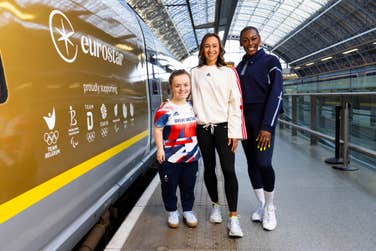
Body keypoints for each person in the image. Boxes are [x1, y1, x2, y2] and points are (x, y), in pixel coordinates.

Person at [191, 33, 247, 237]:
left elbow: (236, 103)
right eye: (207, 46)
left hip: (224, 128)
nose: (211, 50)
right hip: (203, 128)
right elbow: (186, 96)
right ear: (202, 50)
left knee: (229, 170)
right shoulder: (194, 72)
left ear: (220, 48)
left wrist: (235, 132)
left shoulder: (229, 72)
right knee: (208, 168)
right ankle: (215, 205)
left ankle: (233, 218)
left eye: (214, 46)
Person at [236, 26, 283, 231]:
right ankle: (261, 204)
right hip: (245, 122)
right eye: (245, 40)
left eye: (253, 38)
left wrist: (267, 127)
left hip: (263, 121)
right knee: (252, 164)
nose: (250, 43)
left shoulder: (271, 62)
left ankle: (271, 206)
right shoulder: (239, 66)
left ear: (260, 39)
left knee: (264, 163)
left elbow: (277, 93)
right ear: (241, 43)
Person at [154, 69, 201, 228]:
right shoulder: (164, 109)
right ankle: (172, 211)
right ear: (171, 87)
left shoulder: (193, 106)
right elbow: (158, 129)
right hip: (170, 158)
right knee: (169, 186)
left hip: (191, 156)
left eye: (186, 85)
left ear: (190, 86)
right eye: (178, 85)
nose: (182, 89)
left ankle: (187, 210)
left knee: (189, 185)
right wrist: (160, 149)